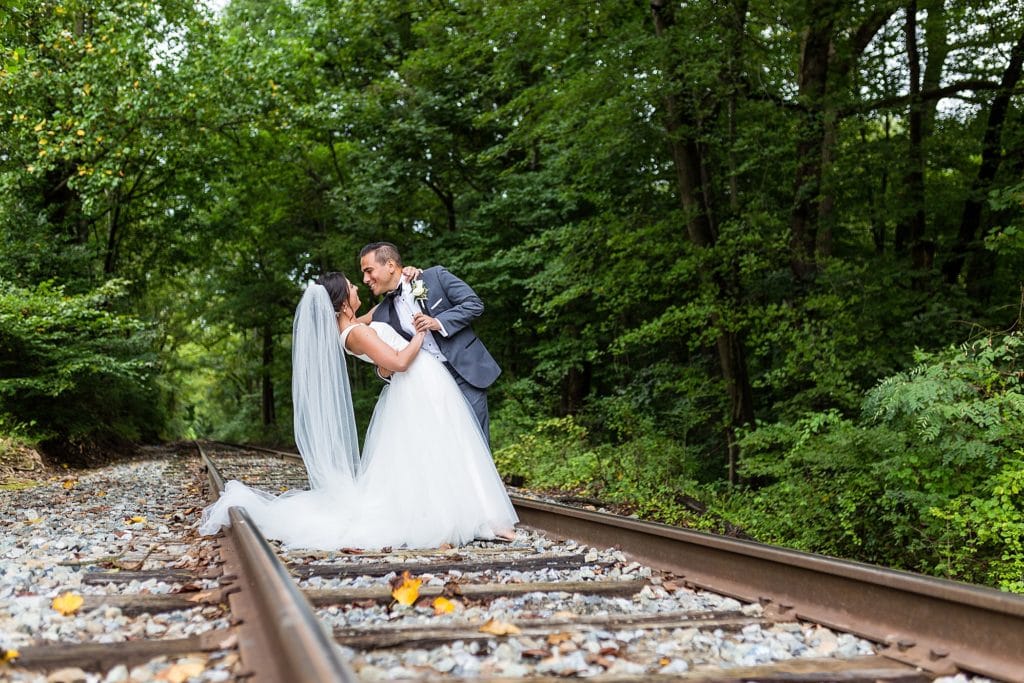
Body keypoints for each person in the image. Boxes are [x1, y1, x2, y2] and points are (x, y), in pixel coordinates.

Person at [199, 272, 517, 550]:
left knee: (436, 455)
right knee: (439, 453)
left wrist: (409, 276)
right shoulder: (357, 333)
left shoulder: (354, 326)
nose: (358, 287)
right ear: (341, 301)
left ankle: (470, 516)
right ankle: (465, 518)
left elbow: (383, 320)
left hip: (421, 388)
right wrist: (422, 333)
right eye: (352, 285)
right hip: (418, 388)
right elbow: (398, 362)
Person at [358, 242, 500, 443]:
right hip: (427, 385)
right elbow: (383, 356)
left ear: (390, 265)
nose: (365, 279)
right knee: (442, 445)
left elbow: (474, 304)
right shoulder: (381, 314)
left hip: (465, 373)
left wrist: (438, 322)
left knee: (477, 443)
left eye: (369, 270)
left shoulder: (434, 277)